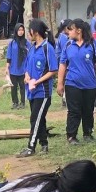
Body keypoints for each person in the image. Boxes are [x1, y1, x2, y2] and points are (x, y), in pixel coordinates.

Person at [57, 19, 96, 145]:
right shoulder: (68, 45)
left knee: (88, 110)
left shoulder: (93, 44)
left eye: (71, 29)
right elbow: (63, 64)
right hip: (72, 84)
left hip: (90, 85)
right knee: (74, 111)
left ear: (79, 30)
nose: (68, 31)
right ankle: (71, 136)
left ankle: (88, 134)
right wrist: (60, 83)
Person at [16, 19, 58, 157]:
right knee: (40, 118)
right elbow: (27, 67)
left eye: (29, 31)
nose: (28, 33)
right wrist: (27, 76)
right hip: (32, 90)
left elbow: (53, 70)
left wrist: (38, 81)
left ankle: (30, 147)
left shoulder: (48, 48)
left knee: (35, 118)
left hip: (43, 92)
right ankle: (44, 144)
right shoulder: (32, 48)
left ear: (35, 32)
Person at [6, 23, 29, 109]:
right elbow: (9, 56)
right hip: (13, 69)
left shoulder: (26, 43)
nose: (21, 32)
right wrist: (7, 67)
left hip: (23, 69)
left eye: (22, 30)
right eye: (19, 30)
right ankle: (15, 102)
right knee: (13, 87)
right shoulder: (12, 43)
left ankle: (22, 103)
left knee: (22, 87)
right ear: (16, 31)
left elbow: (30, 55)